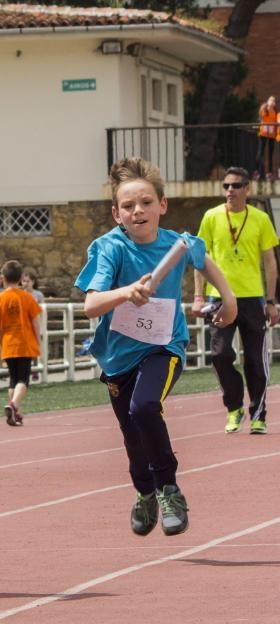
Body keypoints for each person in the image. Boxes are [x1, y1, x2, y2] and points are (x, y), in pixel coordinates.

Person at [76, 157, 237, 538]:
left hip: (164, 348)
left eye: (146, 202)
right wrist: (125, 293)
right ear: (117, 213)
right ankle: (145, 492)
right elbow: (90, 305)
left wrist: (227, 299)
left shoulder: (178, 245)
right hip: (118, 357)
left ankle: (169, 489)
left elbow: (206, 262)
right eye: (129, 206)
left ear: (162, 205)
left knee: (145, 406)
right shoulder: (109, 248)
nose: (138, 211)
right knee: (133, 438)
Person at [194, 166, 279, 434]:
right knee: (219, 354)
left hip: (252, 298)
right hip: (219, 297)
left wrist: (271, 300)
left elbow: (270, 262)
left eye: (236, 185)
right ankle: (234, 406)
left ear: (247, 189)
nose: (230, 190)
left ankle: (258, 413)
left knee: (255, 359)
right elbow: (199, 258)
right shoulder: (211, 217)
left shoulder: (260, 219)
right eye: (226, 186)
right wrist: (198, 297)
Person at [0, 260, 41, 427]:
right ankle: (13, 405)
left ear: (3, 278)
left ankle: (14, 412)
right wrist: (38, 341)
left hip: (8, 344)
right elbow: (35, 323)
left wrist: (0, 342)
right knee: (23, 380)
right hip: (25, 344)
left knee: (13, 380)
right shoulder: (27, 298)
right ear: (20, 278)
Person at [257, 96, 277, 181]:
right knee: (261, 152)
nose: (272, 102)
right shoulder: (264, 109)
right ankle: (258, 171)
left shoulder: (275, 112)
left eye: (273, 101)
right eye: (271, 101)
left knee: (270, 153)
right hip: (263, 133)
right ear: (268, 101)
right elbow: (262, 116)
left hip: (271, 134)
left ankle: (269, 173)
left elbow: (276, 121)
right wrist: (266, 107)